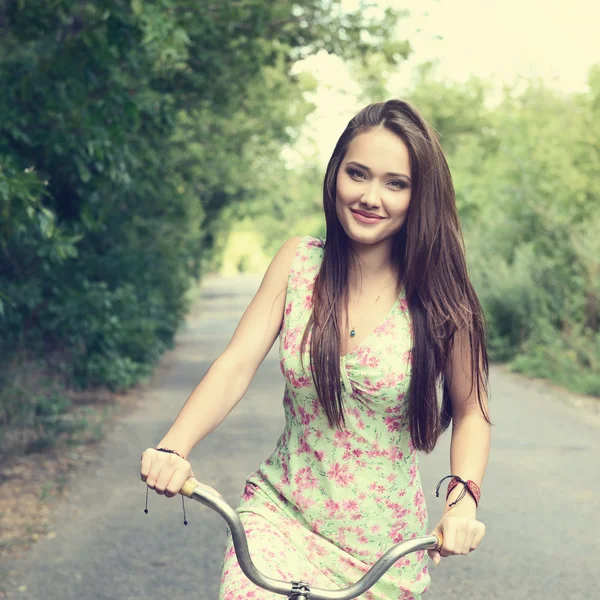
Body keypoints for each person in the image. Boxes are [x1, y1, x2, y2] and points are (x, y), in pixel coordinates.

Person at [140, 99, 491, 599]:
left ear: (420, 196)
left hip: (383, 550)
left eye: (396, 183)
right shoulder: (299, 263)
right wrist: (174, 447)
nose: (371, 196)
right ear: (335, 176)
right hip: (279, 517)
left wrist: (462, 502)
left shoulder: (441, 296)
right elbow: (236, 364)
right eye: (358, 174)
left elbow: (472, 410)